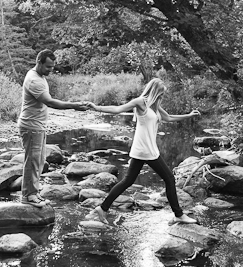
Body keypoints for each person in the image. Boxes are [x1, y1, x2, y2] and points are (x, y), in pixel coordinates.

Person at [86, 77, 201, 225]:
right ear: (154, 91)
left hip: (143, 149)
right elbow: (118, 109)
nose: (162, 97)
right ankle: (178, 214)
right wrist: (96, 108)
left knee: (128, 181)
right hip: (146, 150)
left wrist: (189, 115)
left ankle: (102, 208)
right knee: (169, 179)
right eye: (160, 94)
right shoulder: (141, 102)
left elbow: (169, 118)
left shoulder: (155, 105)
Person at [18, 49, 90, 207]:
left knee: (39, 160)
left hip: (37, 125)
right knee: (33, 161)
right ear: (39, 62)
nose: (51, 70)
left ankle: (32, 193)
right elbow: (50, 102)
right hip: (31, 126)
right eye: (48, 67)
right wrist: (74, 106)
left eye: (52, 67)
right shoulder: (34, 80)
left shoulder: (39, 76)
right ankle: (29, 196)